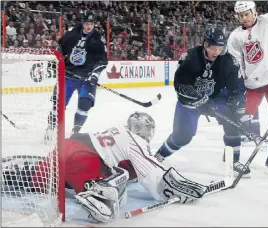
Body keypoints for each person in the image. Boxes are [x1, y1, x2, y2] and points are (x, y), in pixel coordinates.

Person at [2, 112, 217, 223]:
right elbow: (150, 173)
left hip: (67, 146)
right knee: (116, 190)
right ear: (144, 130)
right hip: (84, 160)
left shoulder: (116, 131)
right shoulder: (137, 141)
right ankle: (97, 192)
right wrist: (169, 187)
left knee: (37, 179)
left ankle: (14, 174)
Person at [154, 26, 251, 178]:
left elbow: (237, 88)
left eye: (220, 48)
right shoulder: (191, 57)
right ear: (205, 44)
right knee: (183, 136)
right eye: (213, 48)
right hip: (190, 102)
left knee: (232, 123)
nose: (216, 52)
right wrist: (199, 99)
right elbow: (181, 85)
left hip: (216, 97)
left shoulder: (228, 61)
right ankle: (160, 155)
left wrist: (239, 111)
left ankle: (233, 160)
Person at [227, 1, 268, 175]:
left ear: (254, 11)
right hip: (252, 85)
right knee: (238, 120)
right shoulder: (235, 37)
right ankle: (233, 160)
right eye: (240, 15)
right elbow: (235, 65)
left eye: (247, 14)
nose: (244, 18)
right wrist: (236, 86)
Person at [44, 13, 108, 141]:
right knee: (58, 105)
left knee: (84, 105)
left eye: (91, 24)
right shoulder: (72, 33)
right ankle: (50, 128)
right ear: (82, 23)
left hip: (86, 78)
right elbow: (60, 48)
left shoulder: (98, 40)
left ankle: (75, 132)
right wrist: (56, 60)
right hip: (68, 75)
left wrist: (94, 75)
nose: (89, 26)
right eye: (86, 23)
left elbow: (103, 61)